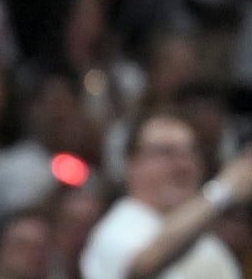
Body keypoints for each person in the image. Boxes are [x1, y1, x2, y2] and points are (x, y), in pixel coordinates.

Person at [80, 109, 252, 278]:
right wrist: (223, 190)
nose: (183, 166)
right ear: (132, 164)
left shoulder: (204, 237)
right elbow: (141, 268)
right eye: (166, 152)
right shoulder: (118, 229)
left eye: (191, 153)